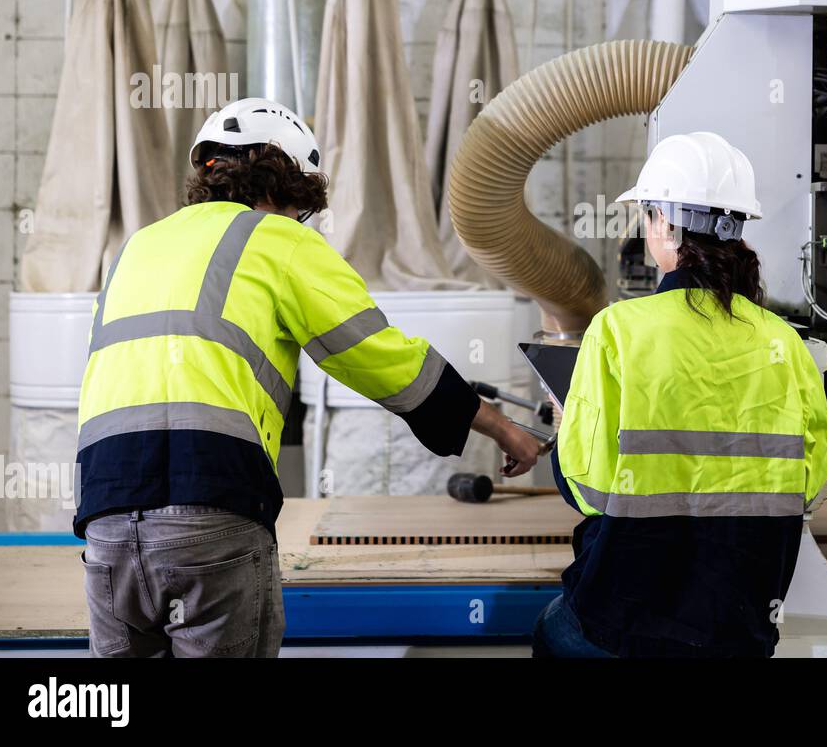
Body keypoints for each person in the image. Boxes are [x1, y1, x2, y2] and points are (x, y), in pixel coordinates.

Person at [75, 97, 542, 658]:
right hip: (210, 508)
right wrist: (502, 428)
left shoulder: (136, 249)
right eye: (301, 206)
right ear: (283, 181)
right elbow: (382, 359)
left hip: (105, 518)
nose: (301, 220)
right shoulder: (278, 240)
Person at [533, 131, 827, 658]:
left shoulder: (618, 330)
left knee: (553, 632)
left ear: (665, 223)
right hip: (737, 634)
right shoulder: (784, 341)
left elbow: (586, 489)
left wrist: (565, 429)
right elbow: (808, 487)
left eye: (647, 215)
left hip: (624, 624)